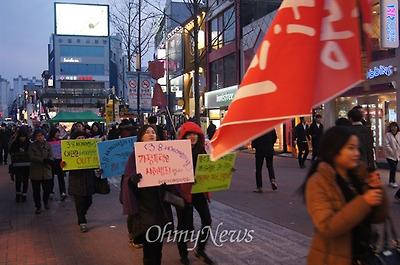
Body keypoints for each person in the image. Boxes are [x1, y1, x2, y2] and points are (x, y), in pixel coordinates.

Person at [300, 126, 388, 264]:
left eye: (357, 148)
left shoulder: (358, 176)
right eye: (350, 148)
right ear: (333, 150)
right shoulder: (318, 182)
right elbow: (328, 227)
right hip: (332, 259)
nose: (356, 153)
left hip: (364, 256)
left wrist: (377, 190)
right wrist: (364, 202)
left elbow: (378, 217)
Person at [122, 124, 173, 265]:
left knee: (158, 249)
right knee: (149, 251)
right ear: (140, 137)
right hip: (144, 209)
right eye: (147, 132)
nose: (151, 134)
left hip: (160, 208)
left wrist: (167, 183)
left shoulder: (164, 154)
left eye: (153, 132)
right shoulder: (135, 155)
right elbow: (126, 180)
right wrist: (133, 180)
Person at [177, 121, 215, 265]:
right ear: (184, 136)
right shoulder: (177, 152)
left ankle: (200, 251)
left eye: (195, 134)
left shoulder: (203, 151)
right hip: (183, 192)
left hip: (199, 191)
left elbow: (209, 170)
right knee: (182, 226)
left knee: (207, 221)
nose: (192, 137)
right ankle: (183, 254)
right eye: (189, 134)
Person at [66, 130, 97, 233]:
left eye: (83, 138)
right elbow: (65, 166)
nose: (81, 140)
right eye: (78, 138)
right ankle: (82, 221)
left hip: (88, 179)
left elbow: (96, 162)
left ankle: (82, 214)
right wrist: (63, 164)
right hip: (76, 180)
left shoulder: (90, 149)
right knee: (79, 202)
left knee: (89, 201)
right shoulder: (70, 151)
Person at [28, 129, 54, 214]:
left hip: (46, 171)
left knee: (47, 189)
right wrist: (42, 160)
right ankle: (38, 206)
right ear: (35, 137)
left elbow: (51, 155)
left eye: (41, 135)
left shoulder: (48, 145)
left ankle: (45, 201)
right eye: (38, 135)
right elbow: (31, 156)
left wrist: (49, 160)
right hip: (35, 171)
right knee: (36, 191)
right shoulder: (32, 146)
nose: (40, 137)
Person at [9, 129, 30, 202]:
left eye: (24, 137)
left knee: (25, 180)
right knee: (18, 180)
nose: (22, 138)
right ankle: (18, 194)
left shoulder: (28, 144)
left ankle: (24, 194)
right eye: (21, 137)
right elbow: (11, 154)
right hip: (17, 165)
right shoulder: (14, 144)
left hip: (27, 166)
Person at [47, 127, 68, 200]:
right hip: (51, 162)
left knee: (61, 177)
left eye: (59, 133)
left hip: (59, 162)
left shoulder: (60, 141)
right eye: (57, 133)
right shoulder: (48, 142)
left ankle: (63, 192)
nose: (58, 134)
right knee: (51, 178)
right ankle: (50, 192)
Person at [383, 122, 400, 188]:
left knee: (393, 168)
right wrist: (391, 151)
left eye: (395, 126)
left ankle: (391, 181)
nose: (394, 128)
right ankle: (393, 181)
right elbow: (386, 144)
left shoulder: (399, 134)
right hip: (390, 155)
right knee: (393, 167)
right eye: (392, 127)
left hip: (397, 155)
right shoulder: (388, 135)